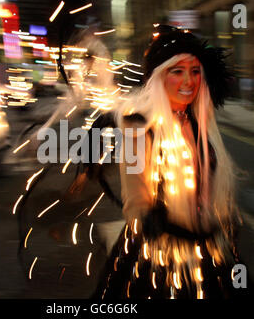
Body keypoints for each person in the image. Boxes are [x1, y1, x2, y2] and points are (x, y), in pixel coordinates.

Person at [89, 25, 249, 299]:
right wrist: (151, 219)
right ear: (160, 77)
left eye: (195, 71)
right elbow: (136, 198)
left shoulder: (200, 122)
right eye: (177, 71)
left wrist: (224, 218)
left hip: (210, 248)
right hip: (161, 259)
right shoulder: (139, 126)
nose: (189, 81)